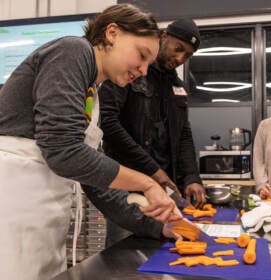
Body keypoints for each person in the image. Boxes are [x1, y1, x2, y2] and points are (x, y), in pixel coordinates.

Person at [0, 4, 181, 280]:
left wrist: (158, 228)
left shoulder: (92, 92)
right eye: (142, 56)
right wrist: (147, 183)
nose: (144, 71)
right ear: (112, 33)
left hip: (41, 224)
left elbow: (98, 182)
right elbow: (63, 151)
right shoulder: (73, 51)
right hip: (12, 212)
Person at [87, 18, 207, 247]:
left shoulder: (178, 87)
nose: (180, 58)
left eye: (188, 55)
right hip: (127, 186)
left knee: (167, 248)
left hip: (163, 189)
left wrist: (192, 177)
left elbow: (183, 134)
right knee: (126, 255)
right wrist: (151, 170)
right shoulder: (129, 72)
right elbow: (108, 123)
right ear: (163, 38)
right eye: (178, 48)